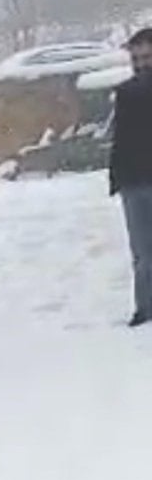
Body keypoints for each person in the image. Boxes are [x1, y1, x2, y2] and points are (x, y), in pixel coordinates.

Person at [108, 27, 152, 328]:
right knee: (143, 253)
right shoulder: (125, 92)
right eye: (135, 58)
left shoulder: (130, 91)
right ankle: (146, 307)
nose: (141, 64)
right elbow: (121, 139)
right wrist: (117, 178)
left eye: (147, 57)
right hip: (134, 181)